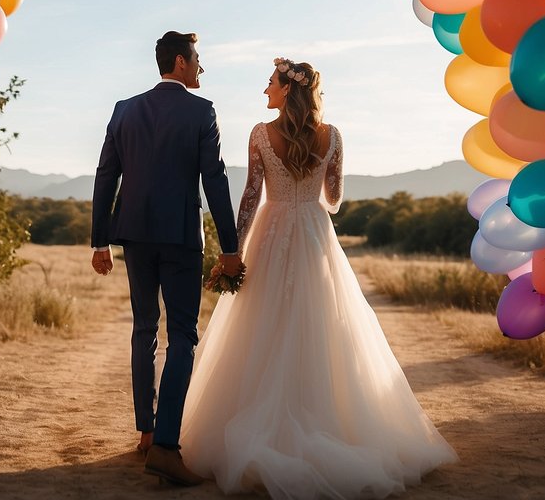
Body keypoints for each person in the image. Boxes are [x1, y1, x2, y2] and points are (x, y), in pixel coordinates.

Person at [181, 58, 457, 499]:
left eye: (270, 83)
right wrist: (308, 197)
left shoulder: (259, 133)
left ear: (287, 90)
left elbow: (251, 194)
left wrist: (233, 251)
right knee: (323, 323)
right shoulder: (333, 136)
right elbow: (335, 197)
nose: (265, 90)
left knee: (263, 324)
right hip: (314, 235)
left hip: (270, 234)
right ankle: (331, 421)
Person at [91, 31, 242, 488]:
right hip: (179, 237)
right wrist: (231, 247)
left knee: (143, 329)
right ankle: (166, 447)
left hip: (133, 236)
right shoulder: (201, 111)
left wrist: (100, 240)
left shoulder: (124, 109)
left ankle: (146, 431)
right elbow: (214, 180)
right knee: (182, 336)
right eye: (197, 60)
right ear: (180, 62)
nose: (200, 68)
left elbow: (106, 175)